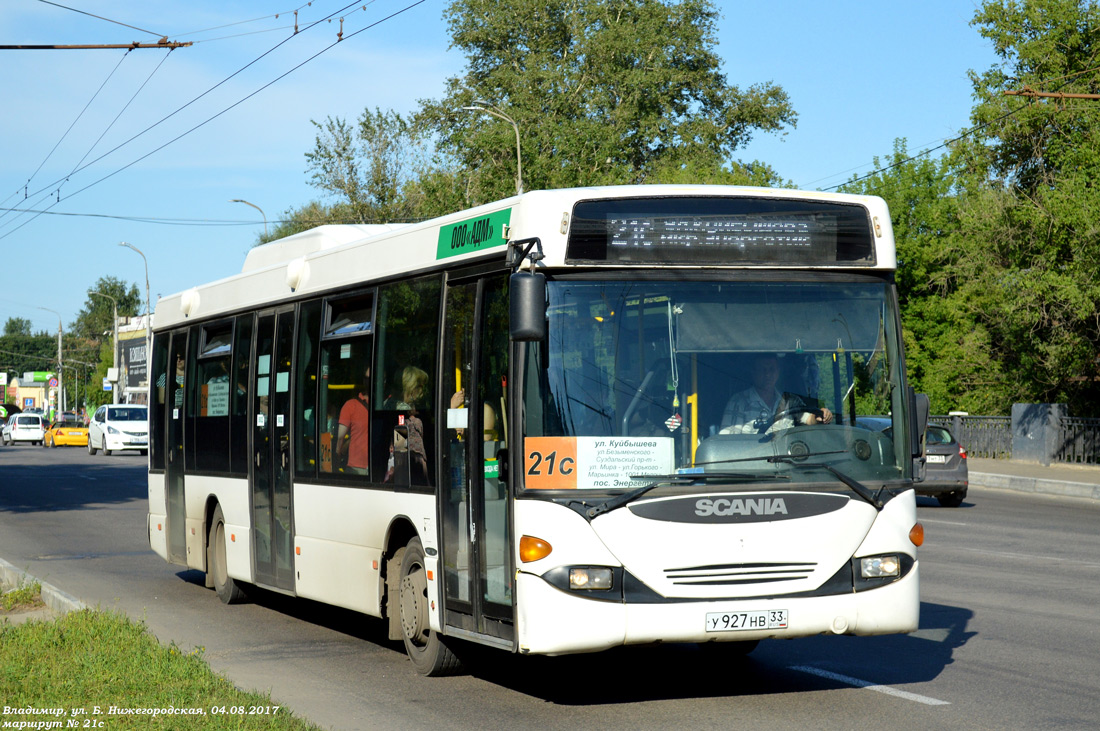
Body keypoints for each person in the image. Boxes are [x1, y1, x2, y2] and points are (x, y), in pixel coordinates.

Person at [720, 353, 832, 434]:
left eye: (772, 369)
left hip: (787, 463)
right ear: (753, 373)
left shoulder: (789, 400)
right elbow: (727, 442)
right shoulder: (739, 402)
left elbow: (808, 419)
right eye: (763, 369)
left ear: (778, 372)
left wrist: (820, 417)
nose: (768, 374)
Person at [335, 381, 370, 475]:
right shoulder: (350, 405)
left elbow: (340, 437)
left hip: (361, 466)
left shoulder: (350, 405)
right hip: (362, 468)